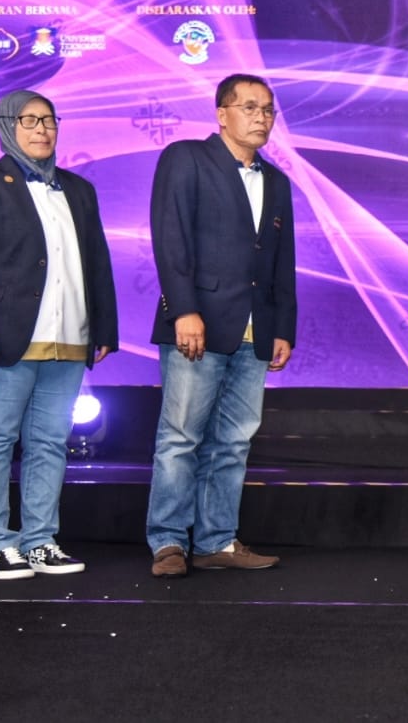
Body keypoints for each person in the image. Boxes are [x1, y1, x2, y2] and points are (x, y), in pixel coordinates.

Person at [145, 73, 297, 579]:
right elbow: (170, 238)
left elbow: (281, 261)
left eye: (268, 109)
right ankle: (168, 541)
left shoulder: (276, 180)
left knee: (234, 441)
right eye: (249, 107)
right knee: (181, 437)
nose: (261, 117)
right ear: (221, 113)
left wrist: (283, 326)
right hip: (199, 324)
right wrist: (183, 310)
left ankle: (215, 541)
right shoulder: (187, 157)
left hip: (256, 330)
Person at [0, 90, 118, 580]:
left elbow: (97, 261)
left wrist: (104, 325)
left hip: (69, 335)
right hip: (10, 338)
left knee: (49, 443)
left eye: (49, 120)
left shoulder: (78, 189)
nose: (42, 129)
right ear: (7, 126)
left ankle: (40, 540)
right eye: (29, 120)